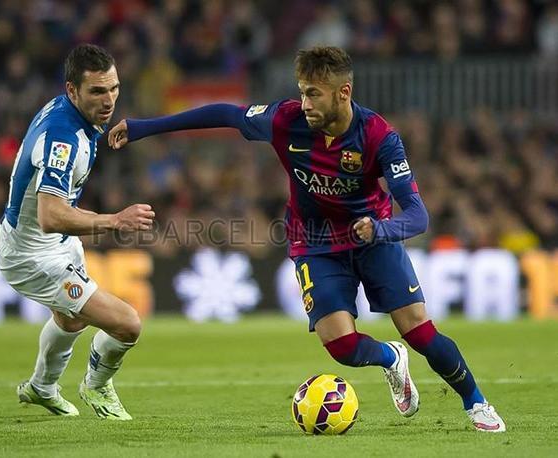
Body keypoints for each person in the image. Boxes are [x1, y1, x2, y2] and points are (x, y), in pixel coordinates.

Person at [108, 46, 506, 432]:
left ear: (343, 93)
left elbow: (419, 216)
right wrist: (144, 127)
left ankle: (476, 402)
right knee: (342, 347)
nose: (305, 103)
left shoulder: (378, 136)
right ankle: (390, 357)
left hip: (373, 237)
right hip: (315, 242)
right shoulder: (286, 120)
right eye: (302, 92)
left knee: (419, 331)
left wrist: (380, 229)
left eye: (313, 94)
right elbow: (225, 114)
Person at [0, 44, 155, 420]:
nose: (109, 100)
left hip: (56, 243)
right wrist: (114, 220)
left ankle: (41, 387)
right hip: (32, 256)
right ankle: (96, 386)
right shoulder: (63, 138)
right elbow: (51, 215)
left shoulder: (67, 112)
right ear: (72, 89)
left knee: (71, 319)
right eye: (97, 91)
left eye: (114, 88)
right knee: (127, 325)